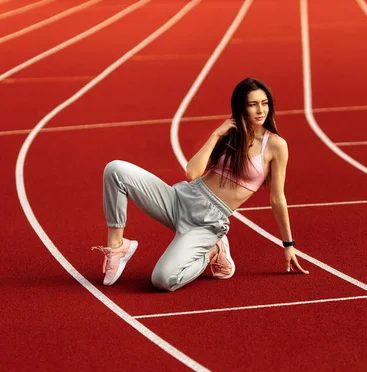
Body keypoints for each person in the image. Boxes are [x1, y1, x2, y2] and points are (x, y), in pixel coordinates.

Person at [92, 77, 308, 291]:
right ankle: (117, 247)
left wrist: (288, 245)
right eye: (253, 104)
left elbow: (277, 198)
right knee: (115, 170)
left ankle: (213, 250)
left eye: (265, 103)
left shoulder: (276, 146)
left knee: (163, 280)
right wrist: (216, 134)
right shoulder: (229, 134)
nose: (261, 110)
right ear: (241, 108)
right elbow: (192, 172)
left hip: (207, 222)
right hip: (181, 199)